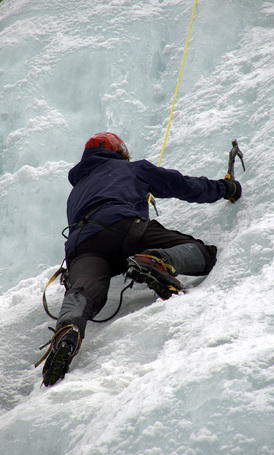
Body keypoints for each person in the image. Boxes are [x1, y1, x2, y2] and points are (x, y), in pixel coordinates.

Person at [37, 132, 241, 386]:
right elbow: (183, 185)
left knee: (84, 291)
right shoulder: (130, 168)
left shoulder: (76, 191)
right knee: (202, 253)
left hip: (83, 246)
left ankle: (68, 329)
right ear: (118, 151)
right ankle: (157, 261)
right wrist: (225, 188)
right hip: (123, 227)